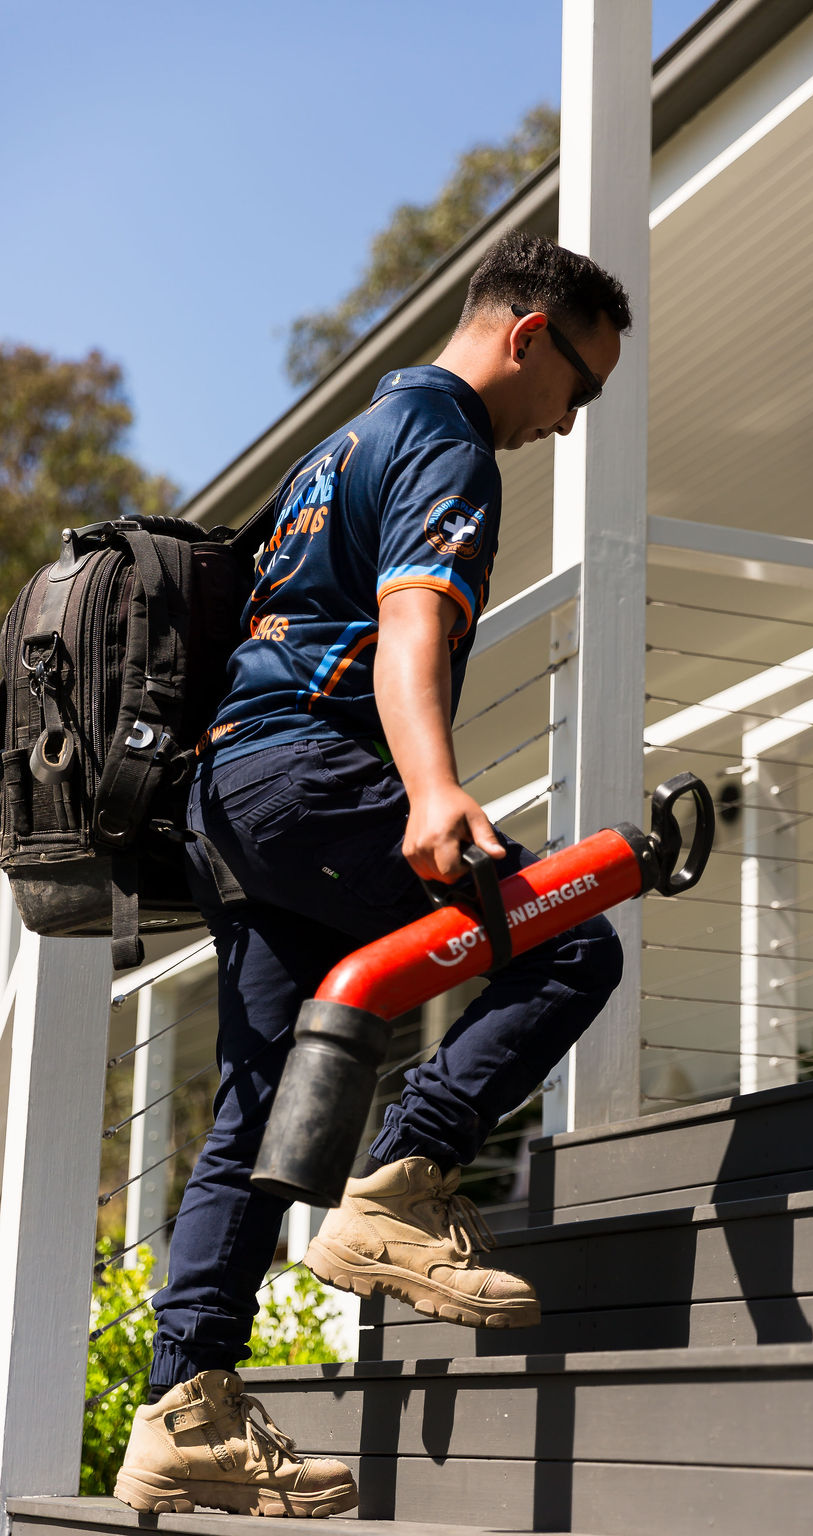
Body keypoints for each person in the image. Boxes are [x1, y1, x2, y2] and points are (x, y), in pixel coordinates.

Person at [114, 231, 631, 1517]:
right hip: (309, 779)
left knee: (255, 1107)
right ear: (527, 336)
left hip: (230, 800)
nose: (568, 427)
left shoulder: (338, 445)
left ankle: (184, 1409)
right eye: (583, 389)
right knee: (570, 935)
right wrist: (433, 786)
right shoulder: (448, 436)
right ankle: (402, 1184)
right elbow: (411, 623)